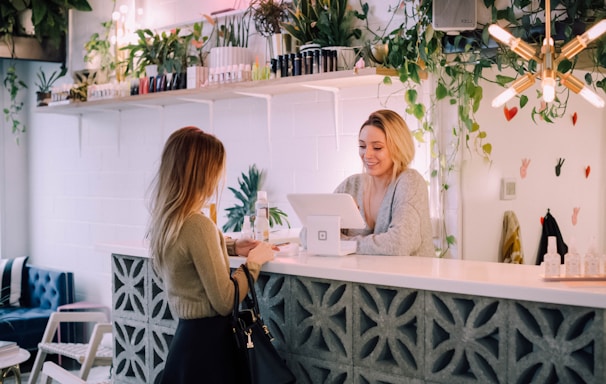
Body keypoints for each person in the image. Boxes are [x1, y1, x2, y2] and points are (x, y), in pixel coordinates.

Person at [147, 126, 275, 384]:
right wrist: (253, 264)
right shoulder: (198, 225)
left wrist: (230, 248)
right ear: (203, 174)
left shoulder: (168, 221)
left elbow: (188, 253)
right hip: (209, 349)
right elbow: (225, 301)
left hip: (185, 343)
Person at [334, 109, 434, 257]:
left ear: (398, 148)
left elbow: (399, 244)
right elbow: (308, 234)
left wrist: (344, 244)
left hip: (405, 279)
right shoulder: (351, 185)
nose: (366, 155)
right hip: (360, 278)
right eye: (362, 146)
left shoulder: (410, 182)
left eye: (377, 147)